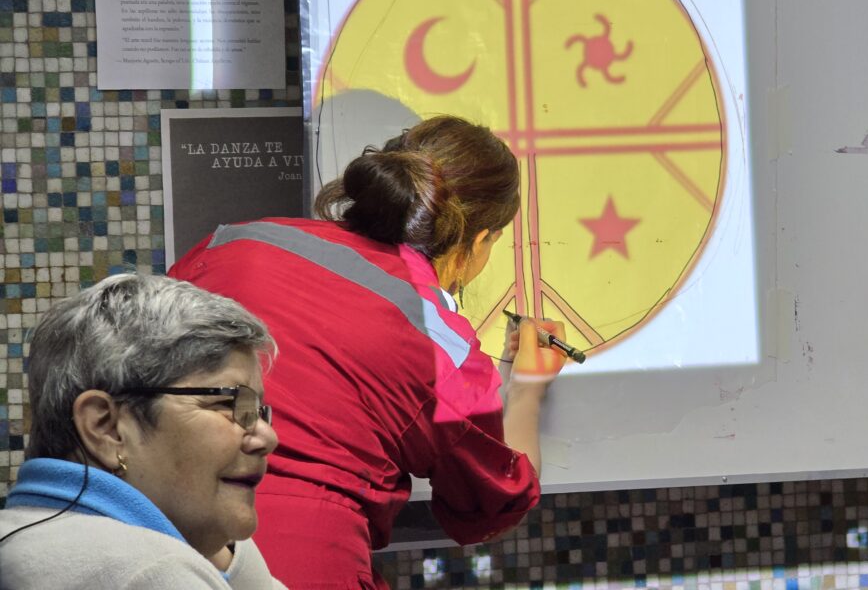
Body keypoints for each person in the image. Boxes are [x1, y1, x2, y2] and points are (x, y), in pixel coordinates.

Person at [169, 114, 568, 589]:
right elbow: (495, 501)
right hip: (300, 563)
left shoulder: (237, 242)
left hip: (151, 529)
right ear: (479, 239)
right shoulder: (441, 344)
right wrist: (527, 389)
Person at [0, 273, 284, 589]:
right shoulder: (149, 573)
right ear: (106, 428)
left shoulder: (22, 538)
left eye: (257, 411)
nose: (267, 438)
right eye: (227, 403)